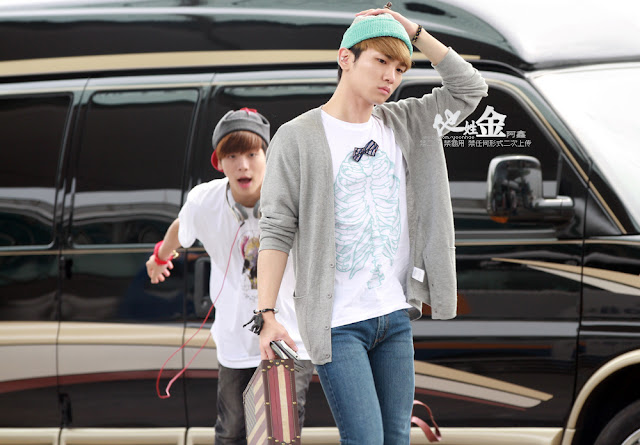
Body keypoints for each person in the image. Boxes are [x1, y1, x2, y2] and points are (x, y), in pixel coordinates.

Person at [255, 7, 488, 445]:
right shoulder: (298, 136)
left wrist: (415, 32)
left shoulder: (407, 123)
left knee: (397, 438)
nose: (390, 77)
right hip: (338, 324)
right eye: (380, 61)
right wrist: (266, 315)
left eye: (399, 68)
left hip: (394, 316)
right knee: (365, 439)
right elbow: (277, 228)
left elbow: (470, 88)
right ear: (345, 58)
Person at [145, 108, 314, 445]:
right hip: (235, 337)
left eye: (252, 154)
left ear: (267, 155)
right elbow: (182, 227)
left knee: (274, 436)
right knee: (231, 431)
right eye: (232, 156)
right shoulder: (204, 201)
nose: (243, 166)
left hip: (286, 336)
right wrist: (161, 255)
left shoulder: (293, 195)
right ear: (219, 162)